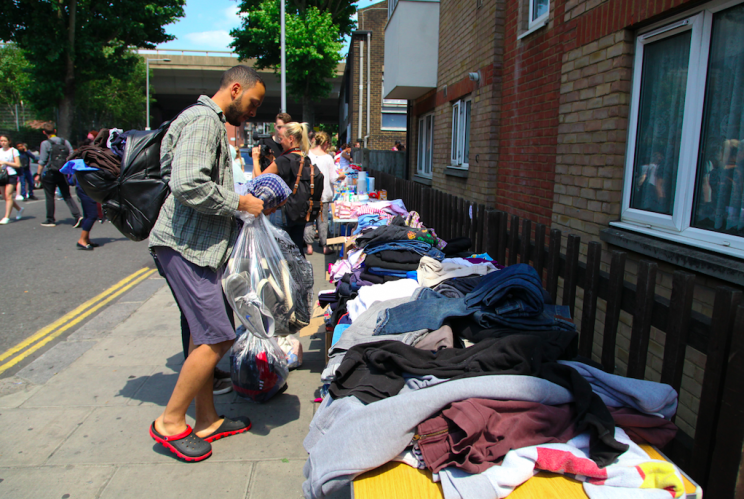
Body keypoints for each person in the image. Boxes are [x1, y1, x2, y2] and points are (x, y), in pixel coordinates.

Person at [148, 65, 269, 462]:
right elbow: (187, 183)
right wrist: (239, 201)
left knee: (203, 335)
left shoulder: (206, 121)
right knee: (217, 337)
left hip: (196, 247)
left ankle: (207, 419)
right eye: (253, 103)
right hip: (185, 247)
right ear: (235, 89)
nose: (253, 112)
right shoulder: (203, 120)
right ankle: (170, 422)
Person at [254, 121, 314, 255]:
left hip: (282, 213)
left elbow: (258, 182)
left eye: (281, 138)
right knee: (297, 251)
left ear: (291, 139)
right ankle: (299, 276)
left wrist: (255, 159)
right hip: (300, 212)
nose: (279, 142)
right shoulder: (306, 159)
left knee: (280, 255)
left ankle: (284, 276)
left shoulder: (283, 160)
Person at [304, 131, 344, 255]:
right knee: (323, 220)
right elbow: (332, 178)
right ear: (326, 143)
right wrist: (340, 177)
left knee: (309, 220)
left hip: (309, 193)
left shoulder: (307, 155)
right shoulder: (328, 158)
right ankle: (325, 246)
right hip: (324, 194)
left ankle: (309, 246)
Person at [36, 123, 83, 228]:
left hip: (50, 172)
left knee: (49, 196)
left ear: (44, 132)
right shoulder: (64, 142)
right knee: (67, 195)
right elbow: (71, 155)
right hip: (63, 172)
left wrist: (38, 174)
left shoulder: (45, 143)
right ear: (55, 130)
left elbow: (42, 160)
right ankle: (77, 215)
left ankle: (50, 219)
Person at [0, 134, 23, 224]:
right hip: (2, 175)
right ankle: (19, 209)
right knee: (5, 197)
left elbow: (18, 164)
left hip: (11, 174)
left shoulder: (13, 151)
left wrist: (5, 162)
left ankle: (6, 217)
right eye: (1, 141)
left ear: (9, 141)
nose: (3, 143)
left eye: (5, 141)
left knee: (8, 195)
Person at [74, 179, 99, 250]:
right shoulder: (87, 168)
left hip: (84, 188)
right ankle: (82, 240)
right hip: (87, 189)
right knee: (92, 215)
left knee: (87, 214)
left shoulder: (81, 168)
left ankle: (86, 239)